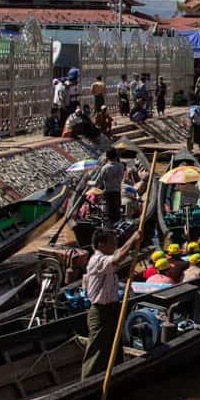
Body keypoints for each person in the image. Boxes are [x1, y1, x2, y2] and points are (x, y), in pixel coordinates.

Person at [81, 228, 139, 379]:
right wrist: (133, 239)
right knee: (97, 351)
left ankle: (114, 377)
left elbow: (118, 255)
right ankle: (86, 383)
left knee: (114, 348)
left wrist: (132, 242)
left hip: (112, 310)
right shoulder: (97, 259)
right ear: (101, 244)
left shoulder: (106, 259)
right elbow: (117, 258)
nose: (115, 245)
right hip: (100, 312)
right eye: (112, 242)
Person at [95, 147, 124, 223]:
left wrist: (89, 182)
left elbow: (98, 181)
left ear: (107, 157)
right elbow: (121, 178)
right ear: (116, 156)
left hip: (108, 193)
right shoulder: (121, 166)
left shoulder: (105, 168)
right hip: (117, 191)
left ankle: (110, 227)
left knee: (109, 214)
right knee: (117, 212)